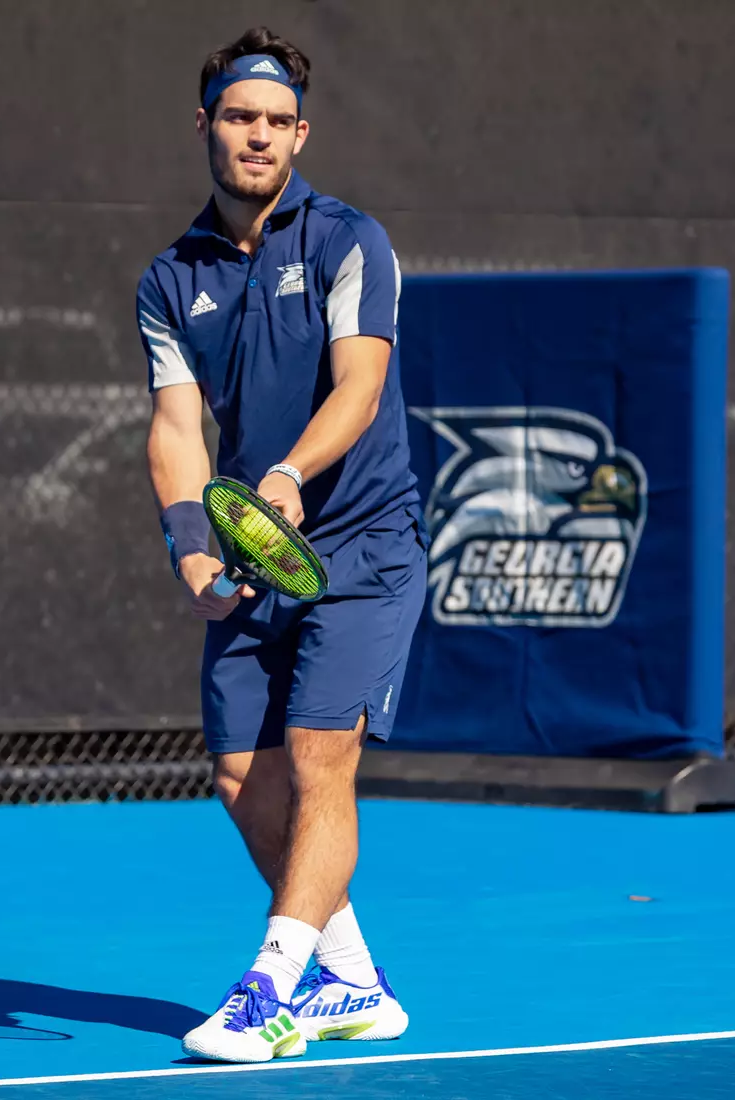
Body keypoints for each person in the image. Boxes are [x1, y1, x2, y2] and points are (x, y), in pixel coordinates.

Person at [134, 26, 428, 1064]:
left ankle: (270, 991)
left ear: (299, 133)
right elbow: (176, 428)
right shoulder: (170, 280)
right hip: (255, 553)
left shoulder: (350, 240)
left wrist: (291, 474)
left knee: (317, 760)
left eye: (274, 121)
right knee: (239, 774)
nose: (256, 137)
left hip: (364, 549)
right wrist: (191, 547)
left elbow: (361, 382)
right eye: (236, 117)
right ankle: (351, 976)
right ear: (206, 125)